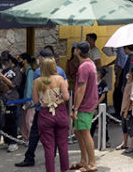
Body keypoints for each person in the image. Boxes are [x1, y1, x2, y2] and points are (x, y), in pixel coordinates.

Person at [15, 48, 67, 168]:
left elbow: (35, 98)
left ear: (42, 59)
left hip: (42, 110)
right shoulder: (61, 73)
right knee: (60, 142)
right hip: (59, 109)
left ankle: (30, 157)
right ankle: (58, 161)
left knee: (36, 136)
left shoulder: (38, 74)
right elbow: (66, 95)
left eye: (39, 57)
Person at [32, 57, 70, 172]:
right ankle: (65, 169)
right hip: (60, 111)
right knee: (63, 145)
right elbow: (67, 97)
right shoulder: (60, 79)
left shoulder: (37, 81)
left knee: (49, 147)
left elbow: (35, 101)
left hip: (45, 113)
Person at [71, 41, 97, 172]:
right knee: (78, 131)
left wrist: (75, 107)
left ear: (78, 51)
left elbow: (81, 89)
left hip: (84, 104)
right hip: (89, 102)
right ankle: (83, 160)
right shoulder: (90, 64)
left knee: (85, 132)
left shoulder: (83, 67)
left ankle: (91, 163)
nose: (74, 50)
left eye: (75, 48)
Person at [0, 51, 22, 152]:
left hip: (13, 98)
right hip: (3, 98)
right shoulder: (3, 71)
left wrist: (2, 77)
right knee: (5, 121)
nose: (4, 64)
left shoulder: (16, 71)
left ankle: (14, 142)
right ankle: (7, 140)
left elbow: (13, 84)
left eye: (5, 61)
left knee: (13, 121)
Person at [17, 53, 36, 143]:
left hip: (28, 100)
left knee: (29, 120)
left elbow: (29, 86)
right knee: (24, 121)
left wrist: (28, 99)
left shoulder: (30, 71)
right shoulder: (25, 71)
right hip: (24, 99)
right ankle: (26, 137)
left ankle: (30, 138)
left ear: (24, 60)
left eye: (20, 59)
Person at [90, 68, 109, 145]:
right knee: (92, 123)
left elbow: (103, 96)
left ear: (100, 75)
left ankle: (106, 140)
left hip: (102, 106)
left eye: (97, 73)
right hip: (93, 105)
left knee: (104, 123)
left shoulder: (104, 83)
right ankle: (90, 139)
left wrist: (96, 104)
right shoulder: (92, 83)